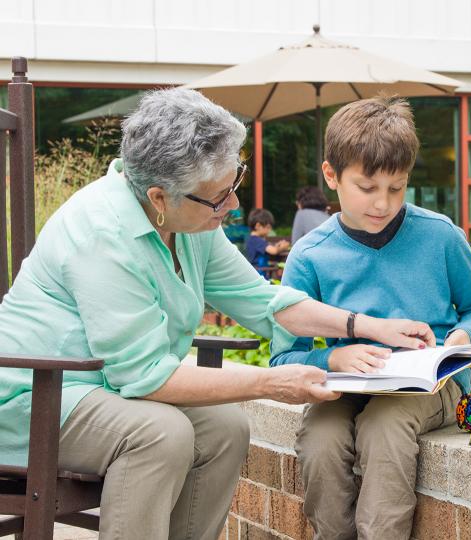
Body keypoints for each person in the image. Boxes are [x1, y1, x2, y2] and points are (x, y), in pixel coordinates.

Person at [0, 89, 437, 539]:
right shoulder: (102, 233)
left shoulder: (188, 221)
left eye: (235, 183)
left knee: (226, 428)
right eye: (219, 197)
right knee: (159, 433)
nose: (232, 206)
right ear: (159, 197)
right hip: (34, 395)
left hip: (104, 387)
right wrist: (271, 382)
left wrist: (364, 325)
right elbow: (145, 377)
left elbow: (265, 302)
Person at [270, 96, 471, 539]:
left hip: (430, 384)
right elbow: (284, 359)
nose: (383, 203)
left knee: (384, 426)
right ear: (331, 176)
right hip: (347, 388)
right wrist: (333, 361)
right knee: (320, 439)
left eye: (397, 188)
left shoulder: (440, 235)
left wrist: (459, 337)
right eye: (368, 188)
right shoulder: (310, 255)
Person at [245, 208, 290, 273]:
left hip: (257, 271)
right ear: (258, 226)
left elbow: (269, 248)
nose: (269, 230)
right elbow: (274, 251)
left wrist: (277, 246)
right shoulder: (257, 240)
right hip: (260, 273)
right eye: (268, 227)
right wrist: (283, 246)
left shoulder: (252, 239)